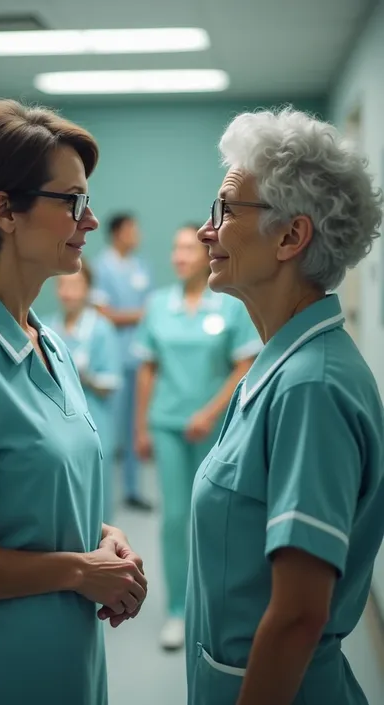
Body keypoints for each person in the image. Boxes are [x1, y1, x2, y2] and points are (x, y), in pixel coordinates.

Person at [0, 99, 147, 705]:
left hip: (66, 665)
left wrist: (102, 538)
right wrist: (76, 570)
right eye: (72, 201)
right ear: (3, 211)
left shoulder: (47, 343)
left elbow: (22, 498)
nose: (89, 221)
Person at [186, 108, 384, 705]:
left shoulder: (311, 389)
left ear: (292, 237)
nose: (205, 230)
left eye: (224, 211)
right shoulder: (278, 368)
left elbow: (298, 617)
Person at [134, 224, 261, 651]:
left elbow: (244, 365)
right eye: (175, 248)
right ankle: (176, 610)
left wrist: (209, 413)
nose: (179, 255)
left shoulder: (229, 306)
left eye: (188, 247)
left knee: (215, 517)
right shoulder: (157, 306)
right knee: (173, 519)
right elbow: (147, 368)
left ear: (207, 252)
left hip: (217, 428)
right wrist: (140, 426)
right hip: (168, 425)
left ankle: (217, 606)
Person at [51, 262, 122, 523]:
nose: (67, 292)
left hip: (95, 422)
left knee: (96, 505)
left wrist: (85, 376)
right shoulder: (47, 328)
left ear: (88, 290)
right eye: (62, 285)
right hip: (56, 426)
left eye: (75, 286)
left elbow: (110, 384)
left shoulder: (101, 329)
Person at [92, 213, 152, 511]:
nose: (136, 234)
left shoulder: (141, 266)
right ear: (117, 233)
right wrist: (137, 315)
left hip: (137, 355)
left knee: (134, 427)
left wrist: (133, 315)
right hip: (114, 356)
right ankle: (102, 493)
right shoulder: (102, 267)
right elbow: (103, 312)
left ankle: (132, 489)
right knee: (109, 427)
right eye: (131, 228)